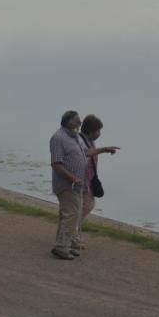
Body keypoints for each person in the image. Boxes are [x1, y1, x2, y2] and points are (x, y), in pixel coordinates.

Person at [74, 115, 120, 251]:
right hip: (80, 181)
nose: (99, 134)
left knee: (84, 207)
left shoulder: (88, 141)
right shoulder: (81, 141)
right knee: (85, 207)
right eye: (98, 131)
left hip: (88, 180)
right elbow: (86, 154)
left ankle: (73, 234)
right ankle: (72, 235)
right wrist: (105, 149)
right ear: (91, 131)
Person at [49, 110, 89, 260]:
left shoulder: (76, 137)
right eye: (77, 120)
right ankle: (61, 247)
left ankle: (64, 245)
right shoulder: (58, 138)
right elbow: (56, 164)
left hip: (77, 186)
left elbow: (87, 153)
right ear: (68, 121)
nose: (80, 123)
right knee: (71, 216)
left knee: (70, 216)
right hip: (67, 186)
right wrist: (73, 178)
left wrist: (104, 150)